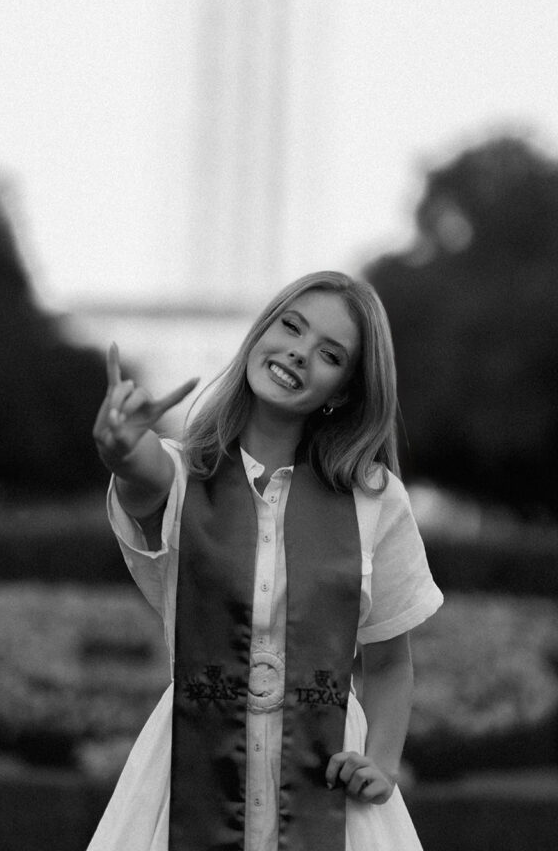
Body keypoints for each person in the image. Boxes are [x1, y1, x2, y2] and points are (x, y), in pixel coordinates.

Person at [88, 271, 443, 851]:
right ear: (261, 333)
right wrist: (121, 446)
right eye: (291, 327)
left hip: (328, 790)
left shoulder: (374, 499)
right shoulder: (185, 477)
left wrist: (382, 764)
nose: (299, 353)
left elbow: (387, 662)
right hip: (190, 774)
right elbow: (141, 471)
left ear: (343, 391)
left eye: (329, 354)